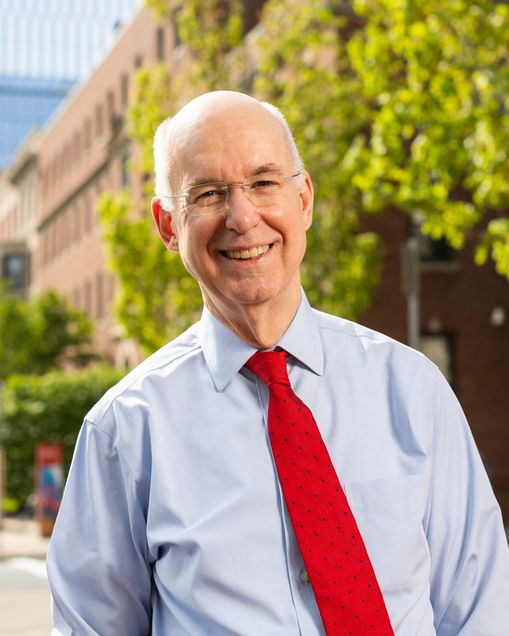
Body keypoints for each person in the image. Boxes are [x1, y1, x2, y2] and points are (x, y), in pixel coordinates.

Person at [47, 91, 509, 635]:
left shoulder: (411, 389)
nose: (242, 217)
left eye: (263, 183)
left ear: (304, 200)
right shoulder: (125, 431)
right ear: (169, 226)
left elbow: (480, 611)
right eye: (209, 194)